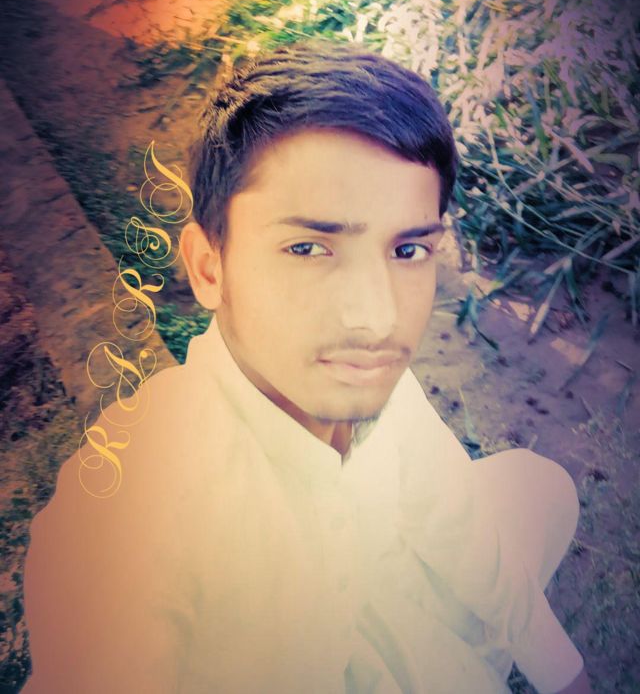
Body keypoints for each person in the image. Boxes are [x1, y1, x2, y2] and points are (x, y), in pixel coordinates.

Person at [23, 41, 592, 693]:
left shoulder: (368, 381)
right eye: (307, 248)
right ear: (209, 267)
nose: (375, 317)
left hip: (382, 611)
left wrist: (567, 676)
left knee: (537, 489)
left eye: (407, 250)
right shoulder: (134, 510)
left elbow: (461, 525)